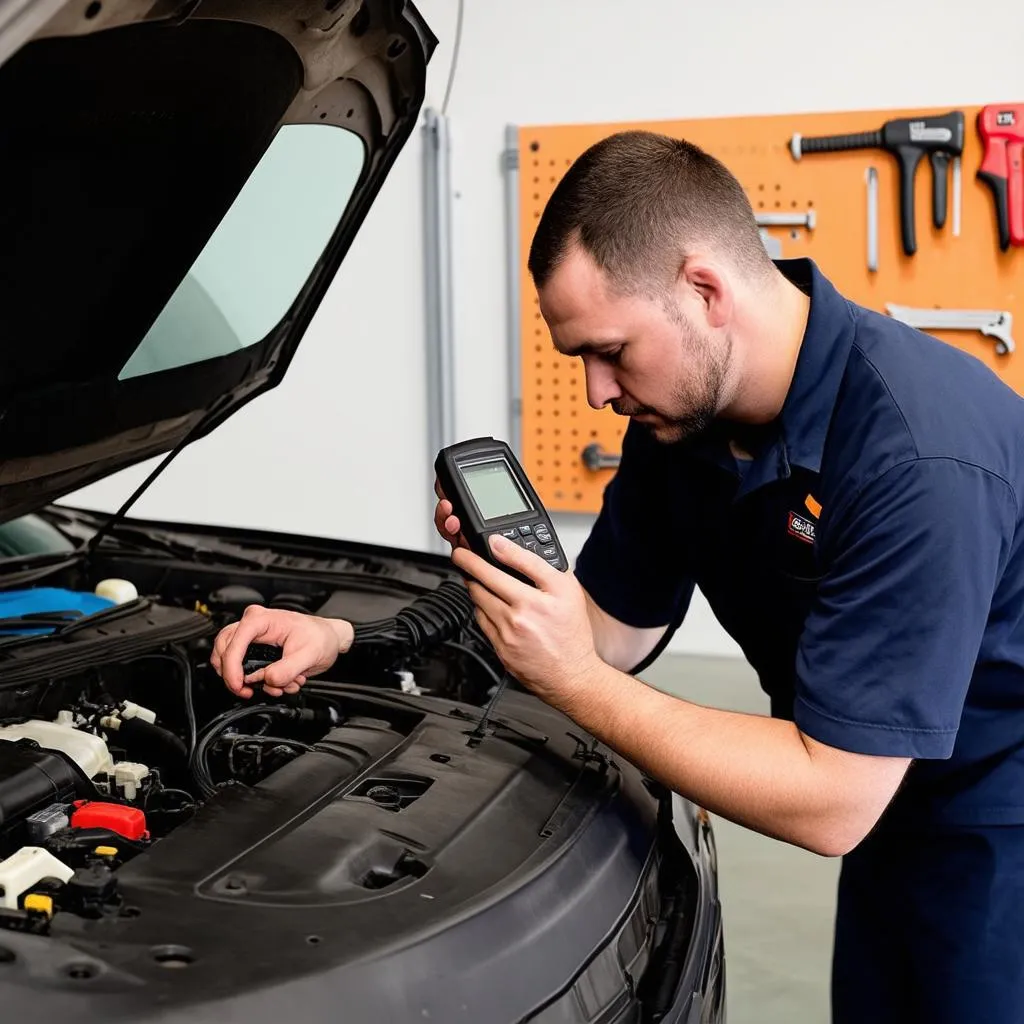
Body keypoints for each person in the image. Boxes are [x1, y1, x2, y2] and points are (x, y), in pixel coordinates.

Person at [212, 130, 1024, 1022]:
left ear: (704, 290)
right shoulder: (684, 425)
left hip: (995, 824)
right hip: (892, 801)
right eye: (580, 361)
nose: (598, 393)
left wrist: (573, 680)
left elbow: (830, 801)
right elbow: (607, 626)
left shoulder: (915, 455)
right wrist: (354, 638)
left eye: (610, 350)